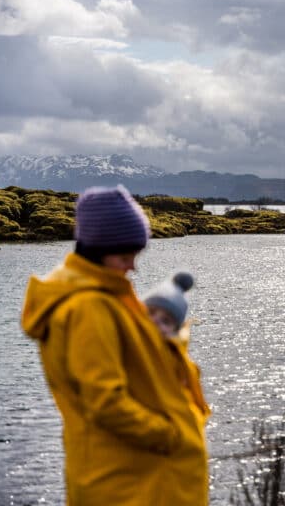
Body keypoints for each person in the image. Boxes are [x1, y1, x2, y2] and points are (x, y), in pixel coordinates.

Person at [21, 185, 210, 506]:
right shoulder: (89, 307)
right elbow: (105, 400)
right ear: (98, 250)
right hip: (128, 481)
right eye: (125, 256)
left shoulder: (99, 296)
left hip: (129, 474)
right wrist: (170, 434)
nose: (132, 267)